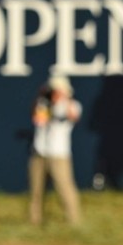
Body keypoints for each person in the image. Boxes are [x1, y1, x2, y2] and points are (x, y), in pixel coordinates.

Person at [29, 74, 83, 226]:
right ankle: (34, 221)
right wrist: (44, 99)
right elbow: (38, 119)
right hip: (39, 152)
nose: (55, 93)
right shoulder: (42, 103)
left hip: (59, 154)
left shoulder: (72, 105)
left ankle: (74, 221)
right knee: (36, 190)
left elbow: (74, 116)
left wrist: (63, 100)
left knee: (65, 188)